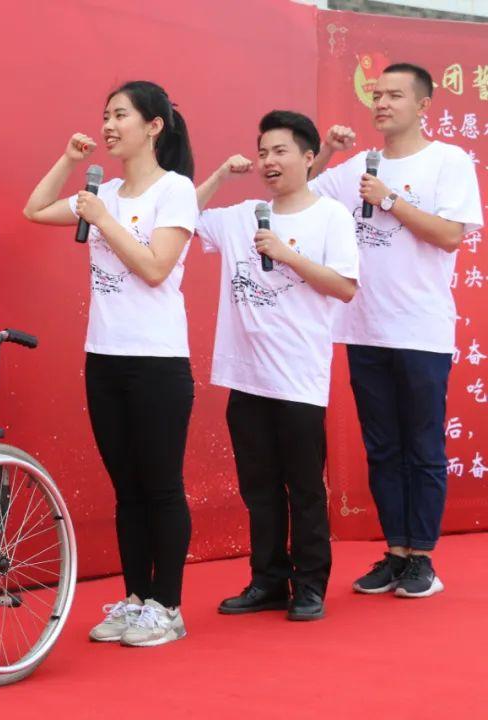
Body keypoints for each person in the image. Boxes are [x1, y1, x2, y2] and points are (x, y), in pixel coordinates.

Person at [23, 80, 197, 647]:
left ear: (153, 126)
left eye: (121, 115)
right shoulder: (106, 191)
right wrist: (68, 161)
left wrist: (103, 217)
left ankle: (167, 606)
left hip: (157, 361)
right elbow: (34, 210)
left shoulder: (175, 190)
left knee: (160, 485)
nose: (108, 126)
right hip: (105, 357)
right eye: (105, 116)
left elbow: (155, 268)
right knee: (127, 488)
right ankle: (136, 599)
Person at [310, 63, 483, 598]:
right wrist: (327, 151)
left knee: (422, 446)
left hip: (421, 330)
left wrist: (388, 199)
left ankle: (422, 558)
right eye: (377, 95)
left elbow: (450, 235)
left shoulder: (448, 160)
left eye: (394, 95)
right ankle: (396, 552)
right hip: (365, 327)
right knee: (382, 447)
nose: (381, 103)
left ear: (424, 105)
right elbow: (300, 194)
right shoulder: (359, 165)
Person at [195, 111, 359, 621]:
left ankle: (309, 584)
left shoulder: (330, 216)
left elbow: (345, 286)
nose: (269, 160)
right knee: (259, 489)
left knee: (304, 488)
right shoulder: (243, 215)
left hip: (299, 380)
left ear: (309, 158)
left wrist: (288, 255)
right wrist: (220, 175)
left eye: (280, 151)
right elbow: (178, 217)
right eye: (263, 151)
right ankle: (267, 579)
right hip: (246, 378)